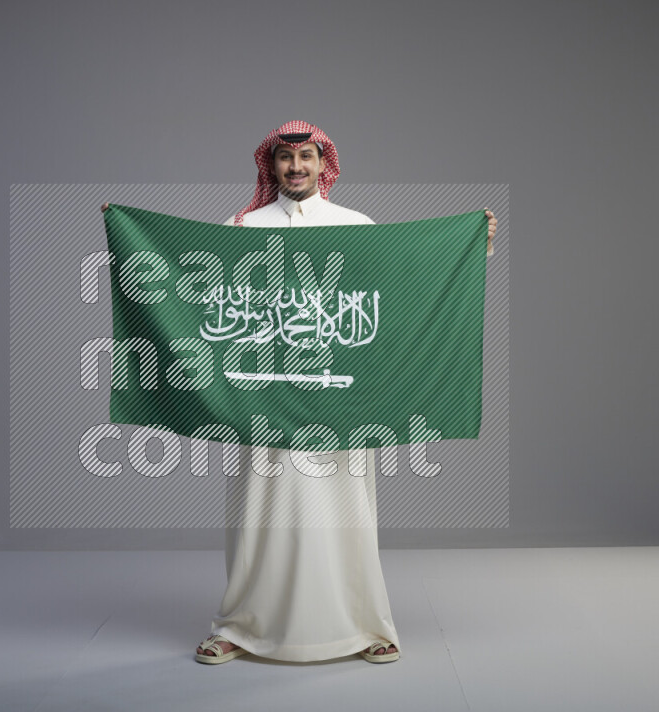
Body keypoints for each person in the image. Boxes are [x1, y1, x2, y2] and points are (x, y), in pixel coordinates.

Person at [101, 121, 498, 664]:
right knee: (256, 516)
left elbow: (405, 287)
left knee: (346, 513)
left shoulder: (356, 226)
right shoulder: (241, 228)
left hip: (340, 403)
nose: (296, 168)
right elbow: (191, 293)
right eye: (286, 159)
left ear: (322, 163)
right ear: (271, 166)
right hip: (259, 401)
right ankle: (239, 627)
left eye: (306, 157)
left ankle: (364, 626)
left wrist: (473, 249)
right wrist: (129, 237)